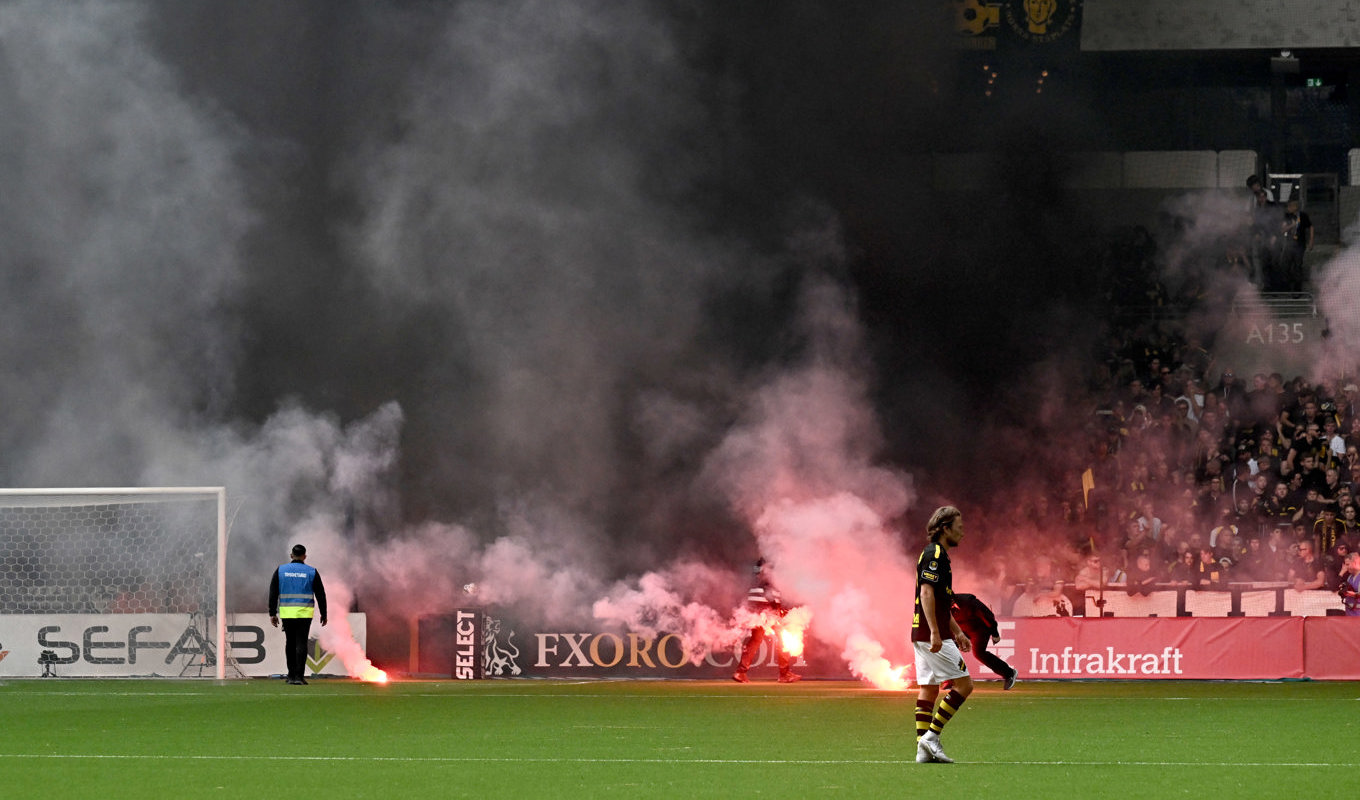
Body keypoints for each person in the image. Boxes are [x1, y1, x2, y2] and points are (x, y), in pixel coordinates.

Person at [913, 505, 972, 765]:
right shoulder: (934, 554)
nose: (962, 533)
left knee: (928, 689)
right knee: (965, 685)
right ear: (945, 528)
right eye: (958, 528)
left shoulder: (940, 556)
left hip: (923, 632)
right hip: (930, 634)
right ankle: (931, 737)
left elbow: (941, 601)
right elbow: (926, 593)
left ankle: (922, 749)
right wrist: (937, 632)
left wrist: (957, 631)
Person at [268, 543, 328, 685]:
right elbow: (321, 594)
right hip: (304, 613)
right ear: (304, 556)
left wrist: (272, 613)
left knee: (290, 643)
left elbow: (273, 593)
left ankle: (291, 676)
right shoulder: (311, 571)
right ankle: (299, 677)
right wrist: (324, 614)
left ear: (291, 556)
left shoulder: (281, 570)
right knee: (301, 643)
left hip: (287, 613)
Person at [731, 558, 799, 684]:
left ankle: (740, 672)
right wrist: (776, 610)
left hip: (757, 611)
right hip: (767, 612)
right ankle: (784, 674)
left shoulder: (757, 577)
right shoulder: (769, 577)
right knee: (783, 637)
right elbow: (769, 592)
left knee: (755, 640)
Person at [951, 592, 1017, 690]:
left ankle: (1009, 673)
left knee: (979, 653)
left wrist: (995, 633)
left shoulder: (968, 601)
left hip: (980, 629)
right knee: (948, 647)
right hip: (961, 629)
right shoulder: (941, 606)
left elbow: (987, 615)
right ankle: (948, 680)